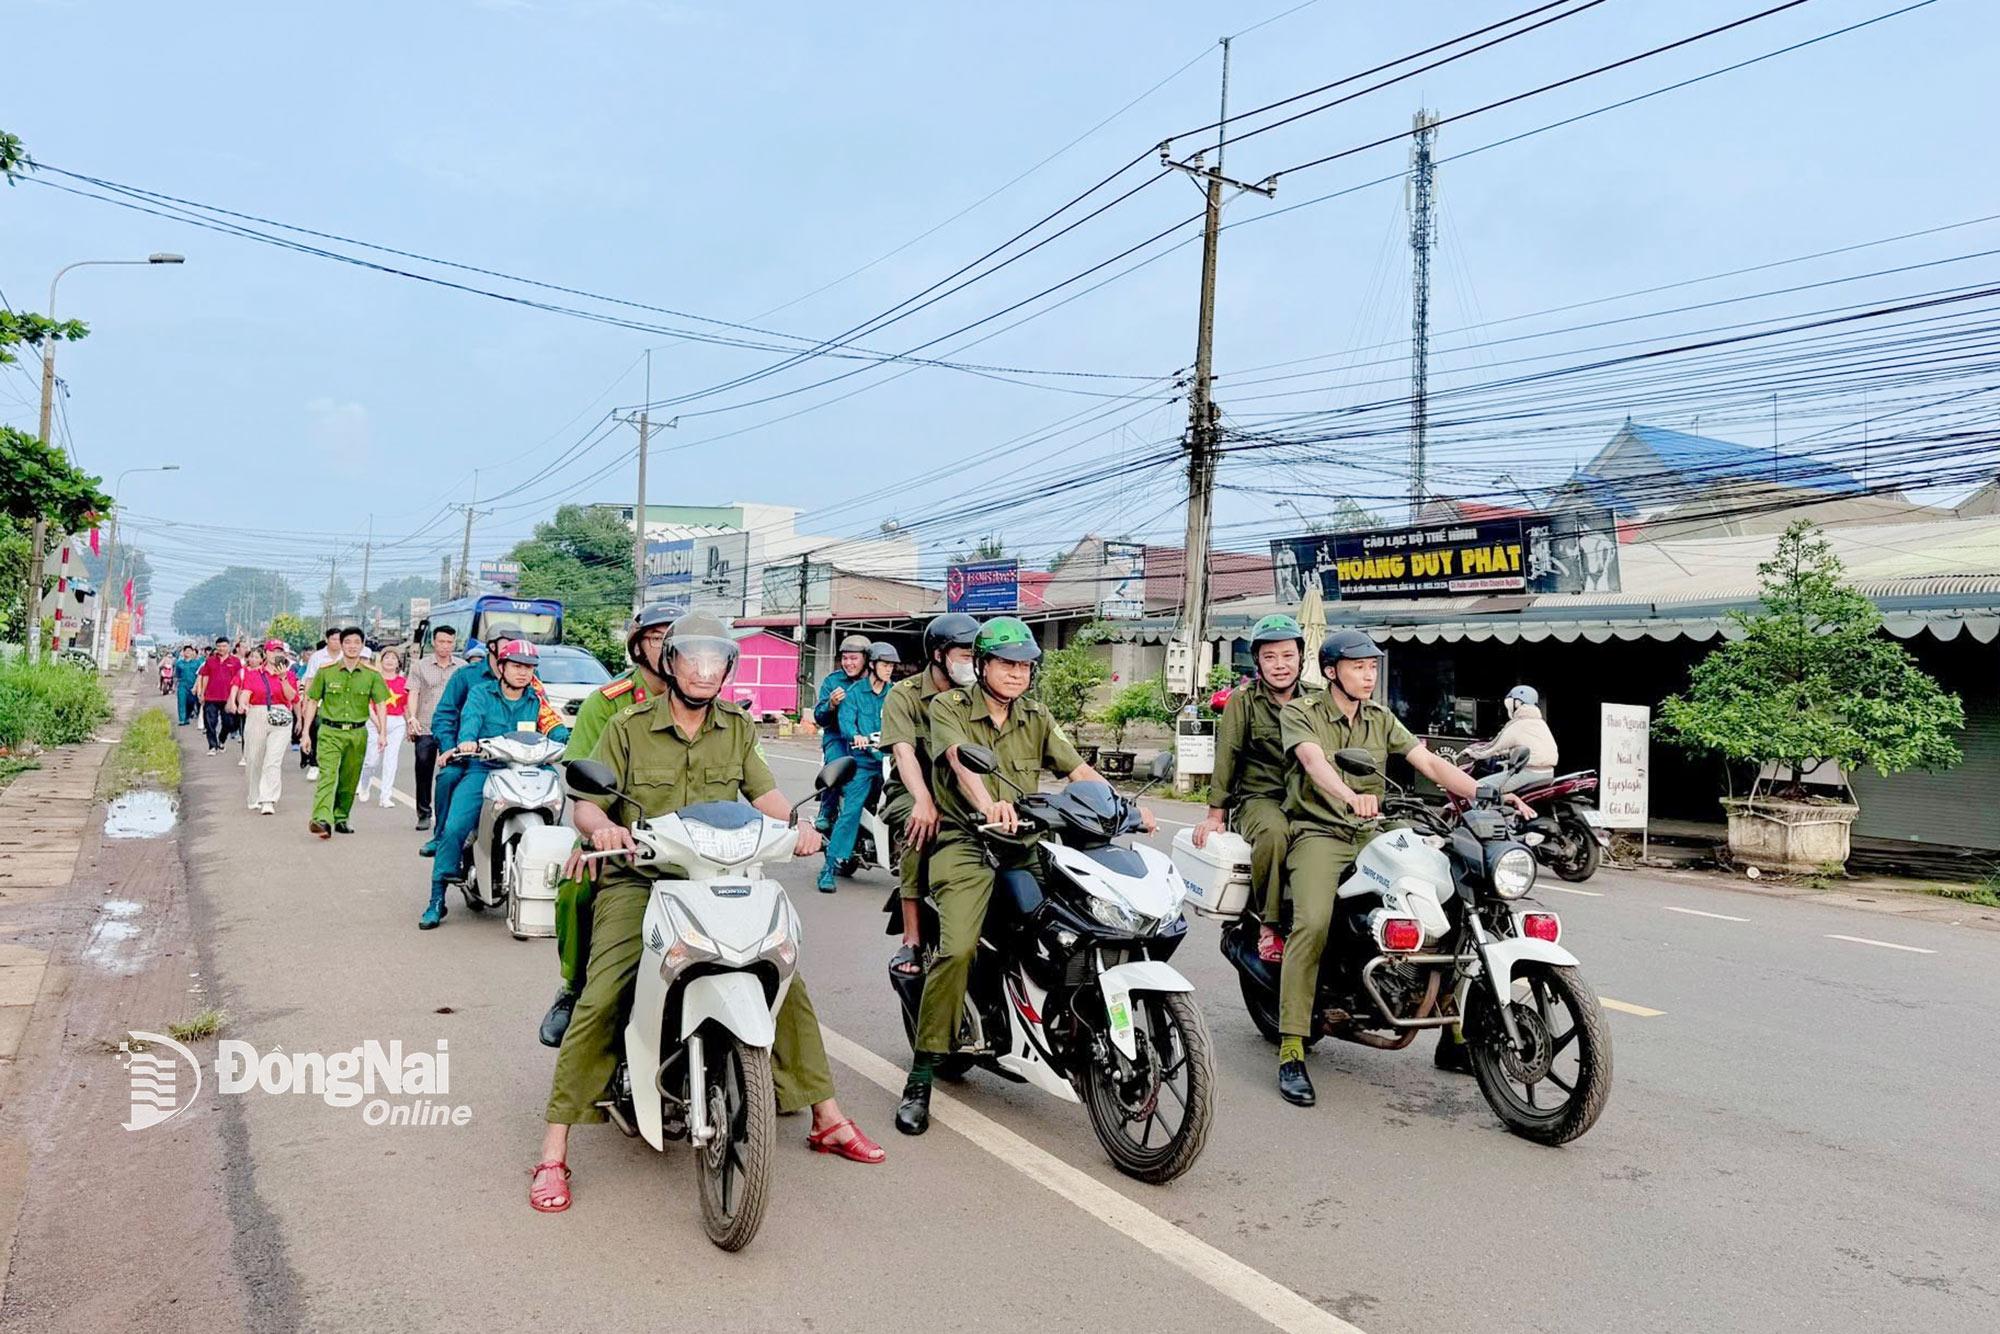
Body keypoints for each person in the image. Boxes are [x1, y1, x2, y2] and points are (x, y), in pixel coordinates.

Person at [533, 612, 882, 1213]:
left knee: (785, 976)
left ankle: (826, 1115)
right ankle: (553, 1150)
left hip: (724, 878)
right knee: (604, 990)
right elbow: (585, 806)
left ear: (727, 668)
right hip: (641, 880)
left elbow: (765, 795)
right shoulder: (626, 724)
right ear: (669, 663)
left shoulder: (738, 728)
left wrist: (797, 827)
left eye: (714, 660)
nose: (702, 670)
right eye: (690, 659)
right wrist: (606, 831)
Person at [894, 616, 1149, 1136]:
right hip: (966, 841)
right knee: (959, 947)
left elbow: (1076, 769)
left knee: (1079, 920)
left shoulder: (1035, 713)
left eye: (1026, 666)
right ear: (983, 665)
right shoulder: (948, 706)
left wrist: (1119, 806)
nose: (1017, 674)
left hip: (1027, 842)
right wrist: (991, 808)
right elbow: (960, 765)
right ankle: (921, 1075)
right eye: (1007, 664)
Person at [1273, 629, 1523, 1109]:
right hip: (1320, 833)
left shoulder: (1380, 717)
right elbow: (1313, 762)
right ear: (1331, 671)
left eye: (1372, 667)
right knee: (1312, 923)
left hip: (1375, 831)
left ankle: (1451, 1036)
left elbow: (1427, 761)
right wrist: (1350, 796)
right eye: (1357, 667)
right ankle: (1290, 1048)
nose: (1368, 675)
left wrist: (1485, 794)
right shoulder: (1300, 712)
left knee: (1448, 907)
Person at [538, 608, 672, 1047]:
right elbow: (583, 777)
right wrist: (598, 834)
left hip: (691, 845)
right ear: (637, 646)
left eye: (675, 637)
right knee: (576, 886)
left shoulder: (703, 699)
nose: (667, 646)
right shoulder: (608, 701)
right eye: (656, 638)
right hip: (620, 837)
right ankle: (574, 988)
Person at [420, 640, 567, 929]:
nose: (523, 673)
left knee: (559, 816)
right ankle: (437, 898)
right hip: (485, 769)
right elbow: (471, 721)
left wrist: (566, 740)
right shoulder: (480, 693)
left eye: (529, 667)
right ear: (501, 667)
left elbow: (554, 726)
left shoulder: (536, 698)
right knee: (453, 827)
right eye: (516, 666)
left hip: (529, 769)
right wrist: (468, 740)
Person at [1193, 614, 1313, 965]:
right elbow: (1226, 755)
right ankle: (1269, 924)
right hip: (1261, 799)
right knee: (1274, 834)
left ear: (1301, 658)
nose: (1280, 665)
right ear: (1258, 661)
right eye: (1270, 657)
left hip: (1308, 799)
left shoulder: (1317, 701)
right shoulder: (1243, 701)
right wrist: (1216, 814)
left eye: (1288, 656)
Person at [879, 613, 978, 980]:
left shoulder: (977, 696)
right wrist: (923, 800)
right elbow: (904, 754)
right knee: (921, 829)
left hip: (965, 791)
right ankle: (912, 936)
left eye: (976, 655)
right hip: (912, 789)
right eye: (965, 654)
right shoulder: (903, 696)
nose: (972, 663)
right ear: (939, 655)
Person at [299, 627, 391, 839]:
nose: (351, 646)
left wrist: (383, 732)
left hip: (357, 733)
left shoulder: (372, 675)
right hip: (330, 731)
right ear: (340, 644)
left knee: (349, 778)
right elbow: (312, 701)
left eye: (356, 642)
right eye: (347, 642)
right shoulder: (326, 670)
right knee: (328, 775)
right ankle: (321, 818)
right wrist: (305, 732)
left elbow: (381, 704)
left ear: (362, 645)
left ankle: (341, 816)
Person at [820, 641, 897, 892]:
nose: (889, 670)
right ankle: (829, 868)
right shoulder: (851, 692)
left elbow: (906, 718)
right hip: (863, 762)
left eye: (892, 666)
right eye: (885, 665)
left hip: (888, 760)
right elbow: (845, 723)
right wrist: (856, 735)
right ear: (873, 665)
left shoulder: (894, 693)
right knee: (851, 811)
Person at [418, 640, 492, 858]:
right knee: (449, 777)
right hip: (469, 755)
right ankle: (441, 835)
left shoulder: (529, 682)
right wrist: (451, 748)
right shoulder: (466, 676)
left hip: (511, 758)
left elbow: (545, 717)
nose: (521, 669)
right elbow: (444, 715)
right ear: (493, 648)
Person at [403, 626, 463, 832]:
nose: (445, 646)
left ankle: (447, 815)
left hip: (453, 727)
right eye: (441, 642)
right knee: (423, 769)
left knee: (452, 772)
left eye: (449, 642)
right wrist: (411, 718)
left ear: (454, 643)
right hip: (426, 725)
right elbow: (413, 693)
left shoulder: (462, 668)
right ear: (434, 642)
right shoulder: (420, 666)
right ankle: (423, 813)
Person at [811, 634, 872, 833]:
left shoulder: (875, 681)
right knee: (838, 765)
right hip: (837, 737)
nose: (848, 663)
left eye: (854, 658)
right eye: (845, 658)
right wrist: (831, 704)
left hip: (868, 738)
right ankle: (826, 811)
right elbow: (819, 717)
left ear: (866, 659)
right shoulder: (833, 681)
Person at [231, 642, 299, 815]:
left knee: (273, 760)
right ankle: (254, 795)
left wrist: (283, 678)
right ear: (266, 653)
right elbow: (246, 693)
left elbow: (292, 696)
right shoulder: (253, 674)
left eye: (280, 652)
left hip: (281, 717)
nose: (277, 654)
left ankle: (268, 799)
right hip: (257, 714)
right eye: (273, 651)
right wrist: (242, 704)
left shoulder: (290, 675)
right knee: (254, 758)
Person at [358, 648, 410, 809]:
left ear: (398, 663)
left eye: (393, 658)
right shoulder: (374, 679)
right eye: (386, 657)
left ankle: (385, 796)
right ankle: (364, 783)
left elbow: (406, 706)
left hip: (396, 723)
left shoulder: (404, 682)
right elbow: (367, 704)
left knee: (391, 760)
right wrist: (380, 725)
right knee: (371, 760)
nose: (390, 661)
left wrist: (409, 724)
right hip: (375, 721)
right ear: (381, 661)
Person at [1462, 685, 1559, 772]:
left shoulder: (1518, 724)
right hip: (1548, 772)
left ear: (1517, 703)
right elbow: (1527, 746)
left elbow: (1493, 747)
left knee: (1482, 786)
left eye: (1510, 703)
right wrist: (1505, 752)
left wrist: (1471, 752)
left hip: (1527, 772)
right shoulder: (1540, 723)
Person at [299, 627, 342, 779]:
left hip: (340, 701)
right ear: (327, 640)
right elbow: (309, 679)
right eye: (334, 639)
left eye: (339, 639)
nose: (337, 642)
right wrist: (305, 700)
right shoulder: (317, 657)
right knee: (316, 729)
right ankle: (314, 763)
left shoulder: (346, 655)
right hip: (319, 699)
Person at [194, 638, 239, 755]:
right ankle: (212, 746)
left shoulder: (235, 661)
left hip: (227, 697)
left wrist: (236, 697)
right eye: (219, 646)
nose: (221, 649)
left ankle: (221, 739)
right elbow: (205, 677)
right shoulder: (210, 661)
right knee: (210, 722)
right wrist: (202, 693)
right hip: (211, 696)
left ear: (229, 647)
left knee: (229, 723)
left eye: (224, 646)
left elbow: (238, 680)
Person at [173, 645, 202, 727]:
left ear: (193, 652)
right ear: (183, 652)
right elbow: (177, 675)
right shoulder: (179, 663)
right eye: (186, 651)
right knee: (181, 701)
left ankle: (187, 717)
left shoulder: (197, 663)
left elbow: (200, 675)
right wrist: (175, 686)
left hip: (193, 685)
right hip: (182, 685)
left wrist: (197, 686)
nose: (188, 653)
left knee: (191, 702)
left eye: (190, 651)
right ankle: (182, 719)